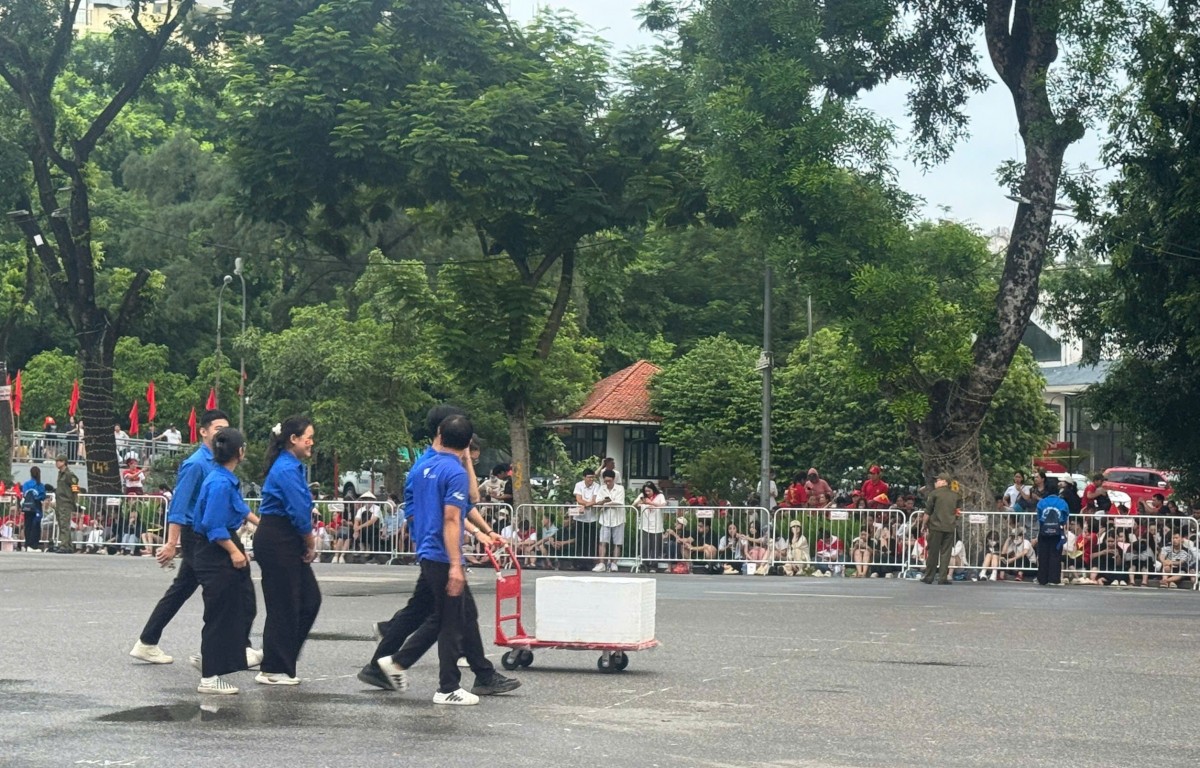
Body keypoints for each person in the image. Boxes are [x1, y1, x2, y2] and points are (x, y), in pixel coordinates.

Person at [359, 406, 518, 699]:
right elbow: (459, 508)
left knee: (438, 613)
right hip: (439, 549)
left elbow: (461, 508)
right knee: (448, 617)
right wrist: (457, 561)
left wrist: (482, 533)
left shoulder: (424, 465)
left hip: (431, 547)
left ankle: (475, 674)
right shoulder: (446, 468)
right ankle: (429, 676)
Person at [130, 410, 257, 666]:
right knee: (226, 589)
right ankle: (226, 650)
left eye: (226, 429)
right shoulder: (196, 464)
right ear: (203, 431)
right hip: (197, 533)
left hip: (207, 532)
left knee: (187, 588)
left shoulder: (219, 463)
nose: (222, 433)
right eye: (217, 428)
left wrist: (256, 522)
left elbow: (235, 503)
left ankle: (148, 641)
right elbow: (179, 505)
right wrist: (171, 542)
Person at [254, 417, 322, 685]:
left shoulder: (290, 466)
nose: (311, 442)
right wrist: (309, 541)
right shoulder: (285, 469)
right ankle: (273, 668)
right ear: (293, 439)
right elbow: (297, 511)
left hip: (284, 537)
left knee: (308, 600)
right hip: (278, 537)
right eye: (308, 436)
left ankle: (281, 657)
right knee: (284, 604)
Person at [191, 428, 258, 695]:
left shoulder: (223, 478)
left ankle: (225, 657)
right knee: (219, 613)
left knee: (243, 603)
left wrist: (258, 524)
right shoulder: (219, 482)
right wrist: (233, 551)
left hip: (221, 543)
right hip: (215, 548)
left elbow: (239, 507)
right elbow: (212, 524)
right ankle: (209, 675)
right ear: (239, 452)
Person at [922, 473, 959, 585]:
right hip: (950, 527)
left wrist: (924, 524)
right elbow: (957, 512)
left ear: (944, 482)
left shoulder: (934, 494)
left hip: (936, 526)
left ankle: (929, 576)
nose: (936, 482)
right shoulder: (955, 495)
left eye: (938, 480)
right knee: (946, 553)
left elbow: (928, 511)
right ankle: (943, 577)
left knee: (933, 552)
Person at [594, 469, 626, 572]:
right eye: (606, 481)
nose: (608, 483)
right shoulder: (601, 489)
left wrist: (605, 503)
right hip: (605, 518)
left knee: (617, 542)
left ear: (614, 480)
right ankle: (601, 563)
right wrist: (604, 502)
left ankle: (614, 563)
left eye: (610, 481)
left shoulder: (620, 488)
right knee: (602, 541)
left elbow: (619, 502)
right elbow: (598, 502)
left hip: (618, 518)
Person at [634, 482, 667, 572]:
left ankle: (654, 566)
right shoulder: (642, 495)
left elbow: (663, 505)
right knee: (644, 546)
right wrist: (640, 502)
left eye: (649, 491)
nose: (647, 493)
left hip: (657, 526)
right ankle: (644, 565)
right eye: (646, 491)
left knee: (655, 546)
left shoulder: (660, 496)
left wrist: (651, 503)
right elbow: (634, 505)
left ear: (653, 489)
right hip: (645, 525)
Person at [1035, 494, 1068, 586]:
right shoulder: (1062, 502)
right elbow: (1065, 516)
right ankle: (1053, 579)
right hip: (1057, 532)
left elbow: (1039, 516)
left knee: (1043, 555)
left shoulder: (1042, 502)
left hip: (1043, 531)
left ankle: (1042, 579)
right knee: (1055, 555)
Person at [52, 456, 79, 554]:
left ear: (64, 462)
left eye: (59, 461)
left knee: (64, 524)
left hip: (66, 502)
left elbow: (75, 486)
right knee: (61, 523)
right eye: (56, 461)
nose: (57, 463)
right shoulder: (61, 474)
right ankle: (68, 545)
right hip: (60, 502)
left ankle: (64, 545)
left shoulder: (68, 474)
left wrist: (74, 500)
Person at [20, 468, 47, 552]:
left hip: (27, 506)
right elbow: (42, 496)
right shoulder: (40, 485)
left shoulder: (26, 484)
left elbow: (24, 493)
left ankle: (27, 544)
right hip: (36, 507)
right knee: (35, 525)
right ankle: (33, 545)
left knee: (27, 525)